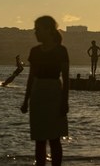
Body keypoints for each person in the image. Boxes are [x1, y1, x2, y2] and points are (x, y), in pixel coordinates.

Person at [20, 16, 69, 166]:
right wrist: (26, 101)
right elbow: (31, 77)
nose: (35, 33)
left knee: (54, 139)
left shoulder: (61, 51)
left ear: (48, 29)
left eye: (38, 29)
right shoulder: (34, 51)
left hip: (54, 92)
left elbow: (66, 79)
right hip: (38, 93)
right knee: (39, 139)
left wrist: (64, 102)